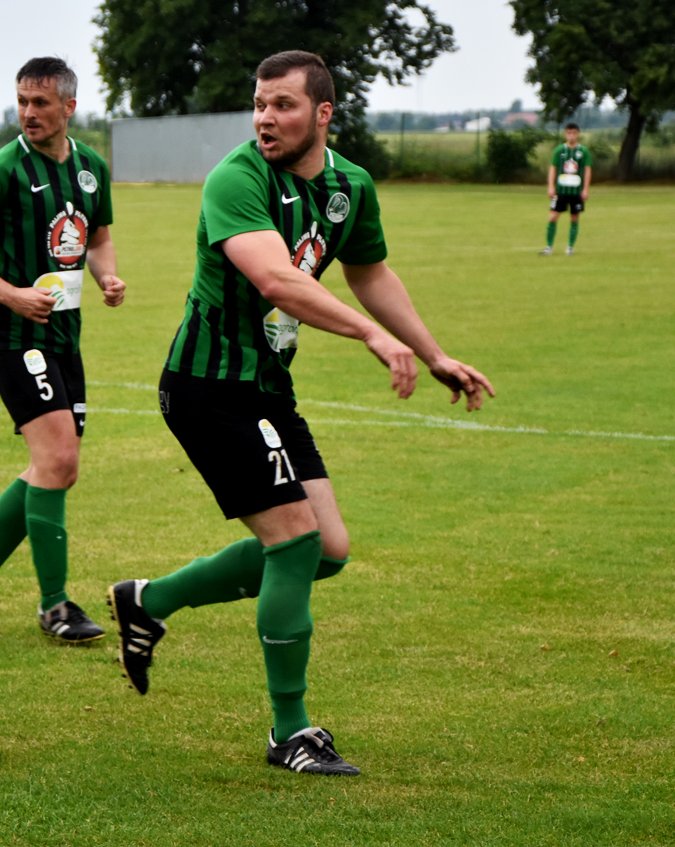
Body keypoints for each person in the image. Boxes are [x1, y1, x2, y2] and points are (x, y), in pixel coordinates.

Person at [106, 51, 494, 776]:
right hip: (206, 385)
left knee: (330, 549)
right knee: (293, 541)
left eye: (282, 105)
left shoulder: (350, 186)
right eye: (258, 103)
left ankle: (149, 600)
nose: (264, 118)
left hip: (267, 389)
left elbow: (370, 271)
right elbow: (277, 277)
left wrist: (430, 351)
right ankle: (291, 731)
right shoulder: (237, 177)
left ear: (323, 114)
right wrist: (370, 336)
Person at [0, 57, 126, 642]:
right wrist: (13, 295)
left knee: (55, 468)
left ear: (68, 107)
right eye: (22, 100)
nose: (28, 112)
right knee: (59, 462)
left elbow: (97, 237)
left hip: (65, 337)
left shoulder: (91, 168)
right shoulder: (0, 171)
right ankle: (55, 607)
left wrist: (107, 277)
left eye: (40, 103)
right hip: (17, 336)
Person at [540, 122, 591, 255]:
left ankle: (570, 247)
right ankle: (549, 247)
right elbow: (553, 169)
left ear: (578, 134)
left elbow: (587, 170)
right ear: (565, 134)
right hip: (561, 191)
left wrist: (585, 189)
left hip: (575, 192)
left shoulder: (583, 151)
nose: (571, 136)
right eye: (569, 133)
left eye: (574, 133)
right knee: (553, 217)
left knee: (574, 218)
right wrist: (551, 186)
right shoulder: (559, 150)